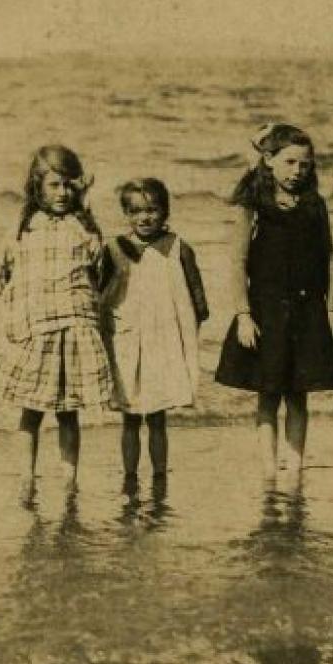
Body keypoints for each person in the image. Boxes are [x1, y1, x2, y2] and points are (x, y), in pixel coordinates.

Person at [214, 123, 333, 477]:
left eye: (304, 164)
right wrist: (243, 314)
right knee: (268, 393)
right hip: (266, 310)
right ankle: (269, 469)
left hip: (307, 311)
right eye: (289, 163)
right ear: (269, 161)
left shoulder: (314, 204)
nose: (297, 171)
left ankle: (296, 465)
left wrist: (332, 310)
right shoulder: (253, 204)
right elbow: (237, 262)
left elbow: (331, 260)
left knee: (299, 395)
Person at [0, 145, 114, 479]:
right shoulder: (23, 230)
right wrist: (18, 324)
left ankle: (69, 480)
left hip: (74, 329)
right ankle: (26, 477)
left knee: (69, 411)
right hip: (36, 331)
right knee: (31, 411)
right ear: (37, 186)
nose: (63, 193)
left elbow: (100, 278)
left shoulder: (85, 230)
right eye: (54, 185)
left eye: (70, 185)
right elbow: (5, 276)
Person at [99, 177, 209, 477]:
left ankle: (160, 475)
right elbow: (99, 295)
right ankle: (130, 475)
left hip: (163, 343)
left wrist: (186, 332)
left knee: (157, 416)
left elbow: (198, 297)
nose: (144, 218)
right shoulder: (113, 249)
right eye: (135, 211)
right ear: (126, 214)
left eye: (152, 210)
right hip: (127, 342)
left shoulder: (177, 248)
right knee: (130, 416)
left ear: (165, 212)